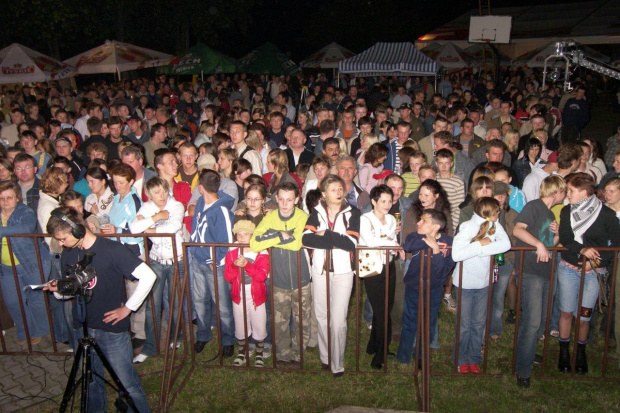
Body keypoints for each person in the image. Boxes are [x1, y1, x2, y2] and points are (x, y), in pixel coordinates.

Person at [44, 207, 154, 413]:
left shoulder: (112, 250)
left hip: (111, 330)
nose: (60, 243)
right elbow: (71, 291)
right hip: (82, 328)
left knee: (127, 384)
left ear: (77, 230)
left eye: (62, 238)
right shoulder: (69, 253)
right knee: (91, 382)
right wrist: (59, 290)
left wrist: (128, 309)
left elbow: (148, 276)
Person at [557, 173, 620, 374]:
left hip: (593, 273)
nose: (567, 195)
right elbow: (566, 238)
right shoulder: (567, 211)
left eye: (571, 191)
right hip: (569, 268)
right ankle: (564, 351)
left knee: (584, 316)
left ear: (584, 193)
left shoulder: (607, 215)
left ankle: (580, 351)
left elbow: (615, 246)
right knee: (567, 312)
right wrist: (581, 250)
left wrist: (595, 263)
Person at [302, 175, 360, 377]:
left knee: (338, 319)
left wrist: (325, 234)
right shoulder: (316, 212)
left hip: (343, 273)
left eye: (340, 188)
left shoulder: (353, 213)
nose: (338, 192)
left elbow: (350, 243)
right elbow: (306, 239)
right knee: (322, 316)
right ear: (324, 194)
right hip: (320, 272)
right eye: (333, 189)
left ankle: (338, 363)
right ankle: (325, 358)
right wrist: (336, 239)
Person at [513, 175, 566, 388]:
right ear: (557, 192)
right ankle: (523, 370)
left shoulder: (549, 213)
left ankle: (527, 353)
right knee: (533, 321)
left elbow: (548, 244)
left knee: (539, 320)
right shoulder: (534, 206)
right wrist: (538, 245)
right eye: (564, 191)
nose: (565, 195)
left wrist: (557, 235)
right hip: (531, 271)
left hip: (545, 271)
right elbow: (517, 229)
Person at [250, 182, 310, 366]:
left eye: (289, 200)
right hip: (278, 279)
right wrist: (281, 234)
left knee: (302, 321)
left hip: (301, 279)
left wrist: (273, 237)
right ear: (276, 199)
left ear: (297, 200)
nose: (285, 204)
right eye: (281, 199)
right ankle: (283, 355)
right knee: (280, 321)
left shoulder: (303, 217)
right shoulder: (270, 218)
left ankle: (298, 355)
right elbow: (255, 243)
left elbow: (297, 242)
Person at [452, 197, 511, 374]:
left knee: (478, 322)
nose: (499, 212)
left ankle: (474, 358)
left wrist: (483, 246)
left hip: (483, 282)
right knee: (464, 324)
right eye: (497, 210)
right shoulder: (467, 227)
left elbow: (506, 244)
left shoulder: (494, 225)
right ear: (488, 212)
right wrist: (480, 244)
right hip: (465, 283)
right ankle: (461, 358)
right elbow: (457, 254)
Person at [129, 177, 185, 364]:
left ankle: (175, 338)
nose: (161, 195)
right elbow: (134, 228)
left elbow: (173, 228)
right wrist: (156, 217)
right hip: (156, 261)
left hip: (177, 260)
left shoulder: (176, 205)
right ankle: (150, 346)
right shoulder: (147, 207)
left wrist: (148, 227)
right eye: (156, 192)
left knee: (176, 303)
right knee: (153, 305)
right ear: (149, 195)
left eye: (163, 191)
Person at [396, 209, 454, 365]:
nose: (418, 223)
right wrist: (428, 243)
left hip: (433, 289)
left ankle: (421, 355)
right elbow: (408, 245)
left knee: (428, 322)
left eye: (423, 221)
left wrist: (435, 251)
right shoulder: (415, 236)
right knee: (409, 320)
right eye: (419, 220)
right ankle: (403, 355)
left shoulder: (449, 243)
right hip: (414, 286)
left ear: (435, 227)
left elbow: (443, 271)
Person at [189, 169, 235, 355]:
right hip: (198, 260)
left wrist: (214, 260)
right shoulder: (201, 202)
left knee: (222, 304)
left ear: (201, 187)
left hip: (213, 264)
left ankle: (228, 339)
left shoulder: (221, 209)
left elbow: (227, 242)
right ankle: (203, 334)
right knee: (199, 300)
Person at [360, 185, 405, 370]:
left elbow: (387, 245)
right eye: (383, 201)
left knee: (386, 307)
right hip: (372, 269)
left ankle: (373, 345)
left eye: (390, 201)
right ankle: (380, 354)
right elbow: (369, 242)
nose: (387, 205)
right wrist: (393, 243)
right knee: (381, 311)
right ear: (373, 201)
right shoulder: (365, 219)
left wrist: (392, 246)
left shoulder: (391, 220)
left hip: (388, 267)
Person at [0, 180, 50, 345]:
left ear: (17, 198)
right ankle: (24, 331)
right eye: (2, 198)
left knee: (36, 299)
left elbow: (26, 228)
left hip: (30, 264)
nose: (5, 201)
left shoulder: (25, 211)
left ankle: (40, 331)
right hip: (5, 268)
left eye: (9, 197)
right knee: (13, 302)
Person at [225, 220, 270, 368]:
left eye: (246, 234)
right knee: (240, 323)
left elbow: (261, 276)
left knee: (259, 323)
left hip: (256, 296)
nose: (242, 237)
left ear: (253, 235)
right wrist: (233, 265)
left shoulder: (261, 251)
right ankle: (242, 352)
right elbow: (228, 277)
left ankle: (259, 353)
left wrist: (247, 266)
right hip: (239, 295)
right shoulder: (232, 252)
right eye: (239, 234)